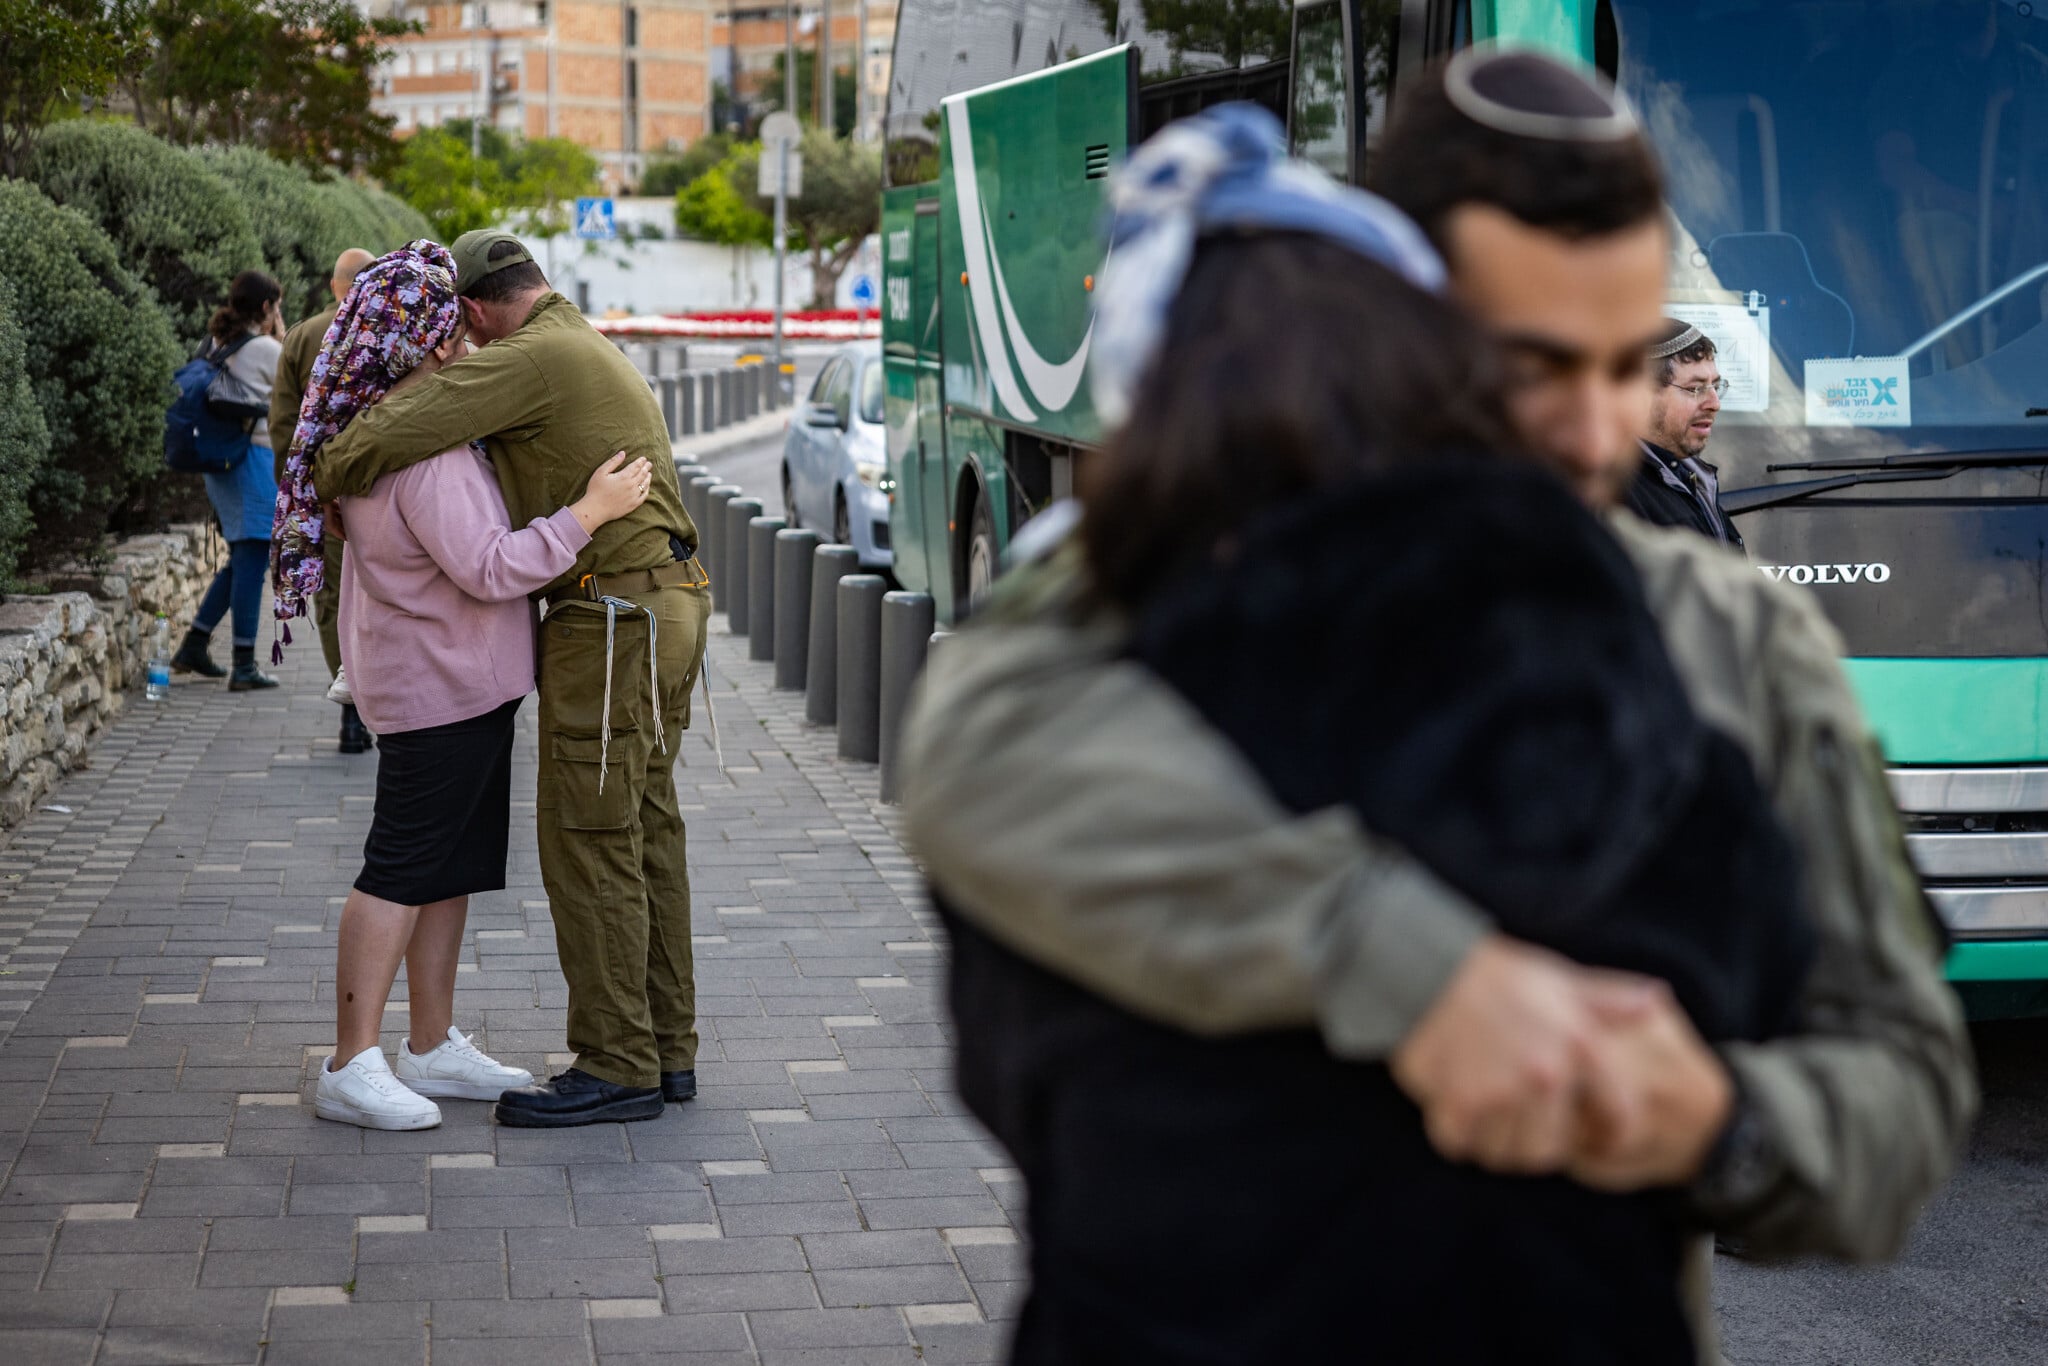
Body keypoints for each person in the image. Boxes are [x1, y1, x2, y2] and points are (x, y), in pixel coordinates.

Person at [901, 47, 1973, 1354]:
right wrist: (1412, 966)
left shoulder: (1734, 635)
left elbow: (1903, 1099)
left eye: (1622, 363)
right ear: (1398, 325)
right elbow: (973, 734)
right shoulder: (1200, 574)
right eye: (1528, 366)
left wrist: (1708, 1119)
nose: (1594, 433)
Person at [299, 230, 710, 1128]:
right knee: (641, 829)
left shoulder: (528, 354)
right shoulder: (576, 339)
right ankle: (662, 1052)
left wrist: (321, 466)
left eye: (466, 331)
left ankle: (618, 1065)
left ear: (479, 311)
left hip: (613, 621)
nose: (463, 348)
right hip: (651, 606)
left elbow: (406, 424)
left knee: (590, 837)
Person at [269, 246, 377, 753]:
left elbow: (283, 426)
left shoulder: (303, 336)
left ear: (335, 286)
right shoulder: (391, 330)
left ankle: (351, 710)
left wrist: (296, 494)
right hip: (388, 487)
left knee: (334, 600)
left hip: (325, 491)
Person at [173, 270, 286, 691]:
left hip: (221, 463)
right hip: (252, 461)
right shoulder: (265, 349)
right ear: (265, 307)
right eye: (277, 305)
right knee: (253, 558)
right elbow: (298, 397)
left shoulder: (214, 343)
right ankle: (243, 664)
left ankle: (195, 644)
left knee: (241, 557)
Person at [1627, 319, 1743, 546]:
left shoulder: (1687, 477)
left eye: (1716, 387)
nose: (1714, 403)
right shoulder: (1614, 495)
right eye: (1695, 389)